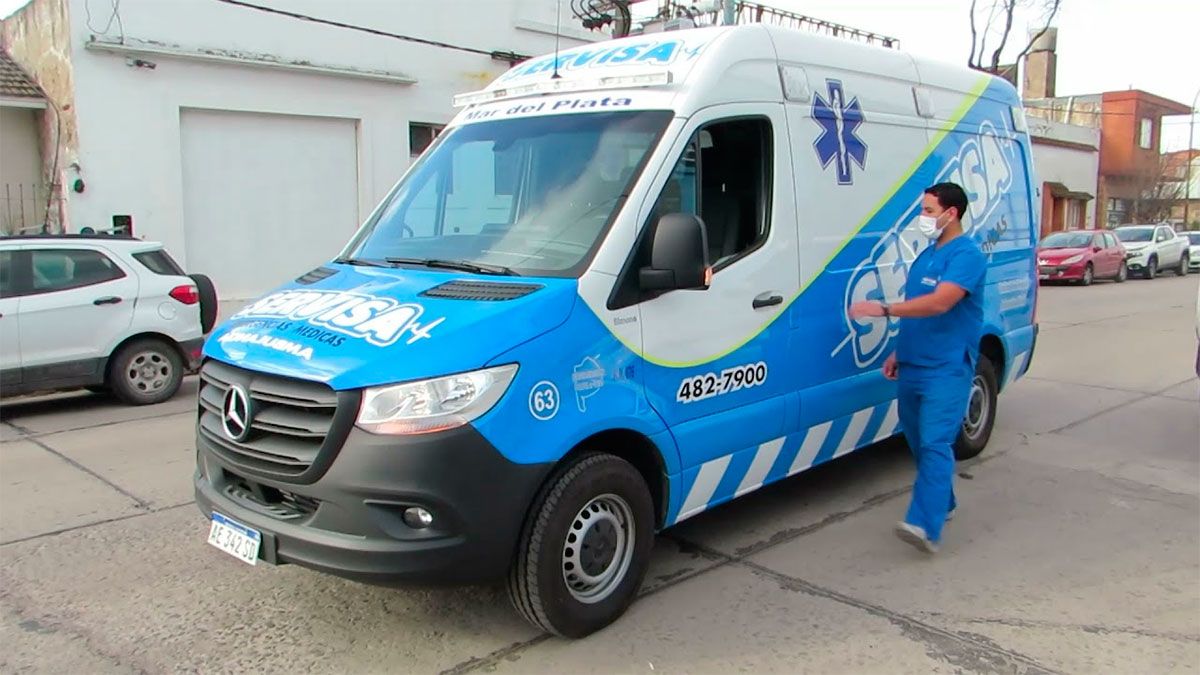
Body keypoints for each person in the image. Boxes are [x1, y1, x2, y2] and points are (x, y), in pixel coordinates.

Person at [849, 182, 986, 554]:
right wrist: (898, 352)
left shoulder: (967, 256)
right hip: (913, 364)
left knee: (935, 441)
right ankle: (944, 501)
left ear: (951, 213)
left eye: (928, 211)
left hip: (946, 367)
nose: (922, 218)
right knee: (917, 440)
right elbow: (918, 311)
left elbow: (940, 303)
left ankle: (924, 524)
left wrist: (884, 309)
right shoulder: (927, 255)